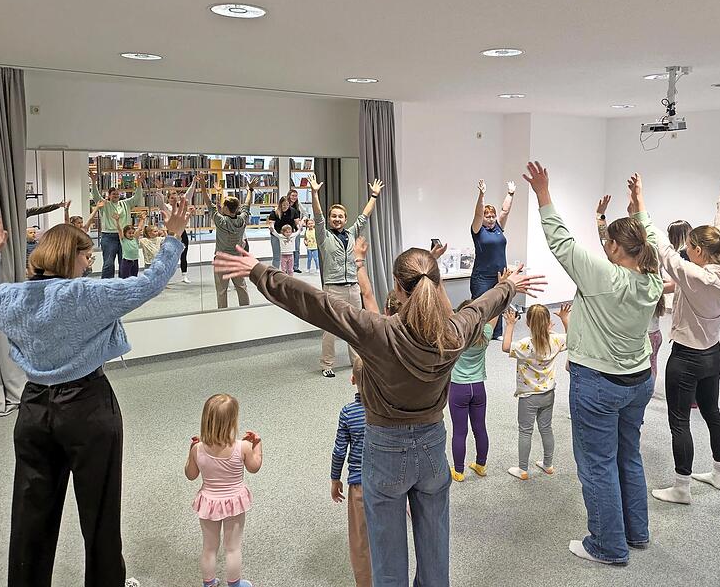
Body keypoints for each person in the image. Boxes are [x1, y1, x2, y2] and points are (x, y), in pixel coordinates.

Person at [213, 239, 545, 585]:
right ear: (439, 284)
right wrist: (508, 285)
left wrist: (259, 271)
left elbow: (316, 304)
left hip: (385, 450)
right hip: (433, 448)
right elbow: (481, 307)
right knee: (435, 557)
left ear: (398, 288)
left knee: (387, 564)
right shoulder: (454, 332)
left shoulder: (377, 331)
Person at [0, 200, 191, 587]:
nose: (89, 263)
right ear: (71, 256)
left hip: (34, 411)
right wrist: (172, 237)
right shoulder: (86, 294)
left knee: (30, 514)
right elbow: (150, 283)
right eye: (86, 256)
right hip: (88, 409)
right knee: (99, 512)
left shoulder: (10, 298)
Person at [523, 162, 662, 565]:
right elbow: (649, 239)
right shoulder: (651, 277)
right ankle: (636, 533)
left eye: (609, 242)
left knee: (597, 465)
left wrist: (543, 194)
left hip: (599, 385)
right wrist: (639, 206)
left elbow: (562, 243)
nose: (604, 247)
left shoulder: (604, 275)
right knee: (627, 456)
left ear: (617, 248)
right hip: (638, 381)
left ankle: (607, 546)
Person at [651, 179, 720, 504]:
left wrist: (641, 209)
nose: (684, 250)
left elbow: (664, 252)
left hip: (686, 359)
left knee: (679, 420)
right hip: (713, 356)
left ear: (699, 252)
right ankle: (719, 474)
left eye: (689, 246)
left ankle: (681, 487)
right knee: (712, 412)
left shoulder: (693, 276)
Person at [309, 173, 384, 378]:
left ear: (345, 219)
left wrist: (374, 196)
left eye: (340, 216)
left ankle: (357, 361)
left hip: (353, 286)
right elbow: (317, 216)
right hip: (333, 288)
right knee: (331, 329)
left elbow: (365, 216)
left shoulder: (351, 233)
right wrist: (314, 193)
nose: (337, 219)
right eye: (334, 216)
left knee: (355, 327)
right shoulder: (324, 236)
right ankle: (327, 364)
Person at [185, 394, 263, 587]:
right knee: (232, 548)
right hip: (234, 502)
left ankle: (209, 584)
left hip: (209, 502)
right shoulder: (242, 447)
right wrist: (258, 445)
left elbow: (190, 474)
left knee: (209, 548)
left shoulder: (198, 448)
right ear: (232, 422)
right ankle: (234, 585)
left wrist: (191, 451)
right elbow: (254, 467)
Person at [597, 194, 667, 383]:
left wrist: (600, 216)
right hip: (653, 333)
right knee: (649, 370)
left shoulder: (624, 273)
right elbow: (607, 242)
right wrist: (602, 216)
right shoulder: (650, 266)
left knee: (645, 373)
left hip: (645, 335)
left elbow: (606, 243)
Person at [502, 303, 569, 480]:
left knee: (525, 430)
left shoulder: (525, 345)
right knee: (546, 428)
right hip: (548, 394)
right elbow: (572, 339)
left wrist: (509, 325)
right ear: (549, 322)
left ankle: (522, 469)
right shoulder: (555, 340)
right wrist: (564, 319)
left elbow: (505, 346)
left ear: (528, 323)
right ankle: (548, 464)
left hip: (528, 395)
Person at [331, 357, 371, 587]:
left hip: (359, 486)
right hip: (387, 484)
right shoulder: (389, 410)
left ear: (352, 379)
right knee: (387, 535)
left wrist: (335, 478)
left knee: (360, 541)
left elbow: (339, 451)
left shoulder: (348, 413)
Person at [447, 299, 498, 482]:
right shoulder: (485, 334)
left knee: (460, 431)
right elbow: (494, 312)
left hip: (458, 389)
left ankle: (459, 472)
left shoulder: (455, 336)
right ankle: (481, 465)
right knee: (480, 428)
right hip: (478, 388)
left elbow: (448, 314)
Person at [470, 179, 516, 339]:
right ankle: (477, 334)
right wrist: (481, 194)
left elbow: (505, 211)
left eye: (492, 216)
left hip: (500, 274)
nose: (490, 219)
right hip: (482, 276)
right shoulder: (477, 230)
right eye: (487, 216)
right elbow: (477, 213)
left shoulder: (498, 227)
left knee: (499, 303)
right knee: (481, 305)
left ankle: (496, 333)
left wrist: (510, 194)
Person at [202, 178, 254, 308]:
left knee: (222, 291)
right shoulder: (242, 220)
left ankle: (222, 313)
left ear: (225, 207)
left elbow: (209, 203)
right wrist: (250, 190)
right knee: (241, 287)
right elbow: (247, 205)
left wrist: (203, 186)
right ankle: (246, 309)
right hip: (237, 259)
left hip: (221, 260)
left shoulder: (221, 221)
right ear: (237, 208)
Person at [90, 172, 144, 279]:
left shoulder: (125, 203)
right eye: (113, 194)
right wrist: (93, 182)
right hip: (108, 236)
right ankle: (106, 285)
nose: (116, 195)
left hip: (124, 237)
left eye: (117, 194)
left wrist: (139, 184)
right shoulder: (105, 204)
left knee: (123, 263)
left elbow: (137, 197)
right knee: (108, 263)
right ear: (109, 195)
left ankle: (122, 284)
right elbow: (96, 196)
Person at [156, 176, 197, 283]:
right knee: (169, 256)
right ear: (168, 198)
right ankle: (165, 277)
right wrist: (159, 189)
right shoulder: (166, 207)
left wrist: (193, 182)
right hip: (171, 234)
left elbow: (188, 195)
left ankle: (184, 275)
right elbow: (160, 202)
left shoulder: (181, 206)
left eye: (175, 196)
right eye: (171, 197)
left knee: (184, 254)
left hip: (181, 232)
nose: (174, 199)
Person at [267, 196, 301, 268]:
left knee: (289, 256)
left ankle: (288, 272)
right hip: (277, 235)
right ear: (280, 204)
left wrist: (299, 228)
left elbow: (297, 223)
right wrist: (271, 228)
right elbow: (271, 223)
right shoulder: (274, 212)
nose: (285, 206)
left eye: (287, 205)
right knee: (277, 256)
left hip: (288, 236)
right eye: (284, 205)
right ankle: (275, 272)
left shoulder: (293, 211)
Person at [114, 213, 145, 279]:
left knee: (134, 277)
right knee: (125, 278)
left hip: (135, 261)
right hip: (126, 262)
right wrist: (117, 221)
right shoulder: (123, 240)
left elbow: (139, 228)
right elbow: (119, 230)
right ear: (125, 233)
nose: (131, 234)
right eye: (129, 233)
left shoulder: (135, 239)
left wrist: (142, 219)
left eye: (132, 233)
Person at [287, 187, 306, 273]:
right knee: (288, 249)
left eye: (296, 196)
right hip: (287, 230)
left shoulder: (298, 204)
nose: (294, 197)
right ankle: (288, 267)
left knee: (297, 249)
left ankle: (296, 267)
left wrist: (301, 222)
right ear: (289, 196)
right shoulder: (285, 204)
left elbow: (306, 214)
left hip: (296, 229)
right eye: (293, 195)